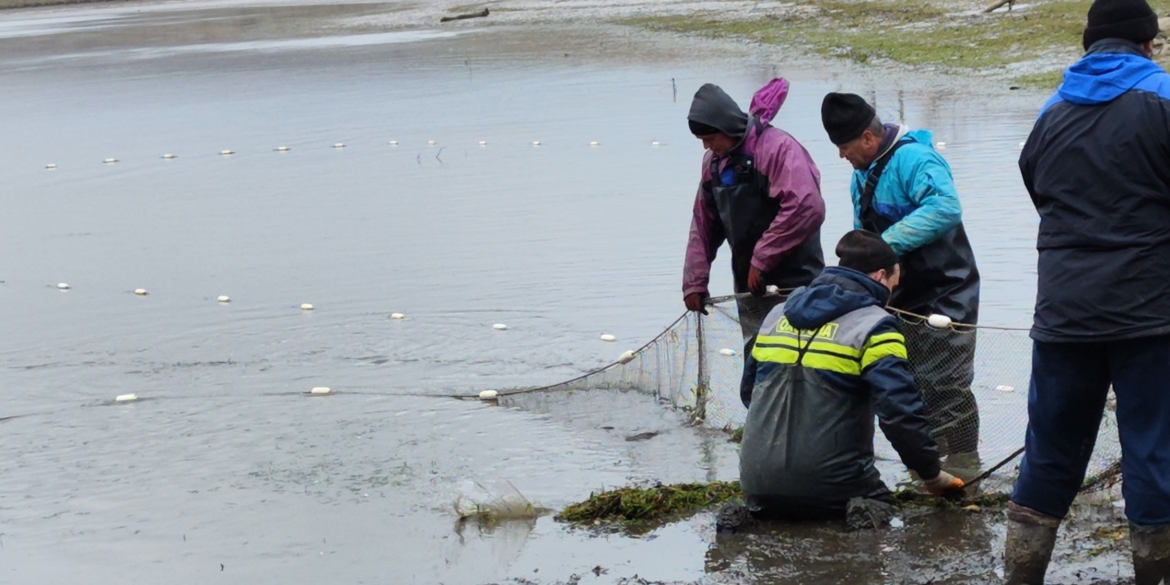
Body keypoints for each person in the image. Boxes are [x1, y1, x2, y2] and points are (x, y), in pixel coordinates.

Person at [1010, 0, 1170, 581]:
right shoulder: (1163, 99)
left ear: (1089, 45)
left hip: (1062, 314)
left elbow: (1037, 187)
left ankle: (1021, 574)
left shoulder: (1052, 110)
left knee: (1049, 448)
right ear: (1150, 42)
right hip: (1150, 317)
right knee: (1152, 450)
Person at [738, 230, 963, 521]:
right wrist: (931, 475)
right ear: (881, 276)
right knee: (893, 515)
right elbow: (899, 415)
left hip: (756, 484)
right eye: (894, 283)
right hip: (835, 489)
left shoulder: (774, 315)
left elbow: (749, 395)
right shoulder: (876, 326)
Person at [819, 92, 981, 457]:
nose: (841, 155)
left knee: (946, 387)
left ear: (868, 138)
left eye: (844, 146)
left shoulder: (915, 158)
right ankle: (928, 467)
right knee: (910, 385)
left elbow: (946, 206)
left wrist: (886, 248)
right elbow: (864, 239)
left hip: (947, 289)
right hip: (899, 295)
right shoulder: (859, 177)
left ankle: (964, 469)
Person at [683, 79, 826, 350]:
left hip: (798, 282)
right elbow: (703, 224)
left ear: (725, 127)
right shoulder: (714, 163)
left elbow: (807, 206)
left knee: (800, 357)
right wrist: (694, 281)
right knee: (758, 359)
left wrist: (762, 258)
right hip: (750, 288)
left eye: (710, 139)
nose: (706, 147)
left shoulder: (778, 149)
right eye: (702, 141)